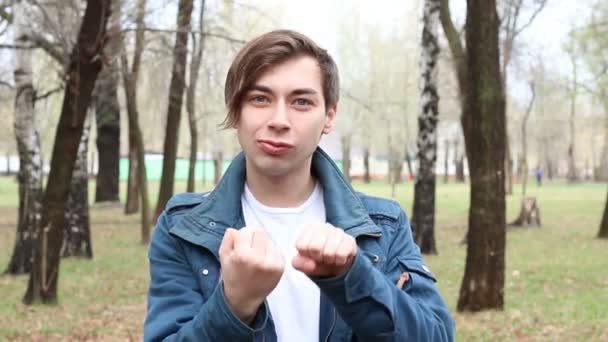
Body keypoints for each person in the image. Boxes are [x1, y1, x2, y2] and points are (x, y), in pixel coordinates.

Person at [144, 29, 454, 342]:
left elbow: (436, 336)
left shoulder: (384, 225)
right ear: (236, 111)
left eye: (301, 101)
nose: (279, 120)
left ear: (329, 116)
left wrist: (352, 276)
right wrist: (234, 304)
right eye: (260, 99)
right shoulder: (182, 227)